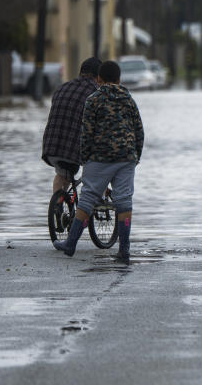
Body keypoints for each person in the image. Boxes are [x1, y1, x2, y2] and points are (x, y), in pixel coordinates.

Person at [54, 60, 144, 264]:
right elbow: (139, 129)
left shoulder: (93, 99)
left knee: (87, 199)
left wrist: (85, 157)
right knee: (124, 201)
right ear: (119, 79)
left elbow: (86, 132)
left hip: (100, 157)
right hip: (126, 157)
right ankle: (124, 251)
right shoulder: (128, 98)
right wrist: (136, 154)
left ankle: (70, 244)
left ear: (99, 79)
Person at [42, 57, 102, 197]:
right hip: (73, 150)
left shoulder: (62, 87)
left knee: (62, 174)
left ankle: (57, 207)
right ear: (98, 77)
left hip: (50, 147)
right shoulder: (96, 93)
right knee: (95, 170)